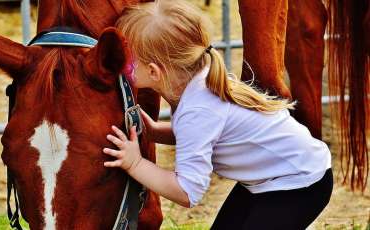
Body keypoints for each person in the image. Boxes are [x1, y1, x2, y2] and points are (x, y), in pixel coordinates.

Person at [102, 0, 333, 229]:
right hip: (275, 178)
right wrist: (154, 131)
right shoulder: (198, 81)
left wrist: (135, 164)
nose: (120, 66)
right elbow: (202, 135)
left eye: (126, 60)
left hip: (299, 185)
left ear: (153, 71)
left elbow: (187, 191)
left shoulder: (198, 109)